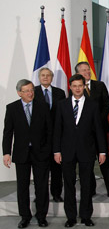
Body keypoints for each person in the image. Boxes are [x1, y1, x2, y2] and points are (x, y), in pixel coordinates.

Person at [53, 74, 107, 228]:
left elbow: (98, 130)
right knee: (68, 184)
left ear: (84, 86)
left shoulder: (93, 105)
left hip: (87, 150)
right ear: (70, 87)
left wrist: (102, 151)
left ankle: (85, 216)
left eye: (80, 85)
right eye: (74, 86)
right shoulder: (62, 105)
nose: (77, 88)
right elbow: (57, 130)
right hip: (66, 151)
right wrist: (56, 151)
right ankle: (70, 217)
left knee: (86, 185)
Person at [2, 79, 52, 229]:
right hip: (21, 153)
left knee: (41, 186)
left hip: (41, 153)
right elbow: (8, 132)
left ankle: (42, 216)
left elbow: (50, 131)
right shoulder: (12, 108)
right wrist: (6, 153)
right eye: (27, 91)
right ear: (19, 93)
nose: (30, 93)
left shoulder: (43, 106)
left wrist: (48, 149)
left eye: (32, 90)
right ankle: (25, 216)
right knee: (22, 186)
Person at [74, 62, 109, 197]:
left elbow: (106, 105)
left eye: (88, 70)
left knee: (105, 160)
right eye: (84, 70)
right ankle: (90, 188)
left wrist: (96, 122)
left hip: (100, 129)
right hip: (84, 133)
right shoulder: (75, 88)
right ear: (78, 73)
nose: (87, 72)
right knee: (87, 161)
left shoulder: (100, 85)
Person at [34, 68, 66, 202]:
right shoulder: (33, 92)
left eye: (48, 75)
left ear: (52, 78)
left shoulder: (60, 93)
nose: (45, 77)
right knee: (40, 170)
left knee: (57, 168)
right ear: (39, 77)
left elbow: (64, 113)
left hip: (57, 135)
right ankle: (39, 195)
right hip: (40, 138)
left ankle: (57, 194)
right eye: (43, 75)